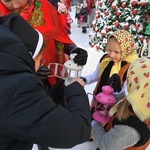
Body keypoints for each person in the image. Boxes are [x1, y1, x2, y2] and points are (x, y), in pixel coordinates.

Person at [0, 13, 91, 150]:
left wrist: (58, 89)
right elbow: (77, 130)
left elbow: (26, 109)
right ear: (28, 56)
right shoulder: (19, 89)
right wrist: (76, 90)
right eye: (39, 60)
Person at [0, 0, 88, 86]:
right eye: (7, 1)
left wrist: (73, 50)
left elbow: (59, 36)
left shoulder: (44, 6)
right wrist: (28, 68)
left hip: (54, 71)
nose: (15, 5)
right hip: (21, 84)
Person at [91, 57, 150, 150]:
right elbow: (126, 104)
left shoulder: (131, 130)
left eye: (129, 79)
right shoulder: (143, 104)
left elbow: (105, 144)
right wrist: (118, 91)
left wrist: (94, 124)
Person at [82, 30, 138, 107]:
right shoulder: (106, 59)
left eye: (116, 52)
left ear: (126, 51)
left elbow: (127, 95)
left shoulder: (130, 68)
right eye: (109, 50)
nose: (111, 55)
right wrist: (84, 80)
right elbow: (96, 75)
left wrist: (118, 89)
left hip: (115, 108)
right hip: (98, 102)